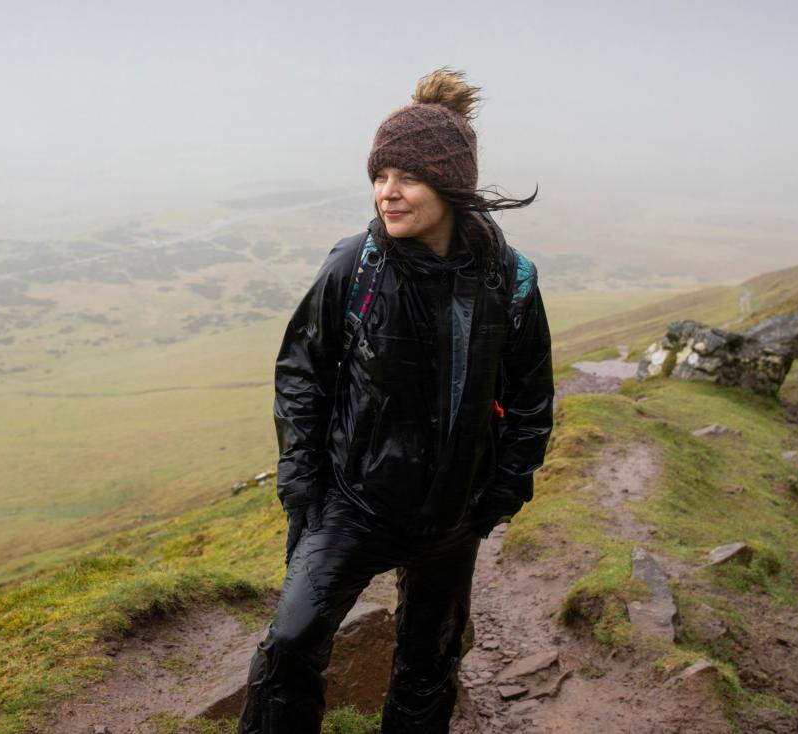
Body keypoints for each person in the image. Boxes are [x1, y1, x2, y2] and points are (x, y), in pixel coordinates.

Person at [237, 67, 554, 734]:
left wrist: (498, 495)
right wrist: (302, 489)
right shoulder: (356, 266)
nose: (387, 192)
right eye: (379, 176)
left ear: (449, 181)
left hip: (452, 515)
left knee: (428, 663)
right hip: (352, 505)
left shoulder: (508, 277)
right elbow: (302, 374)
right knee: (290, 644)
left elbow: (530, 397)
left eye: (405, 176)